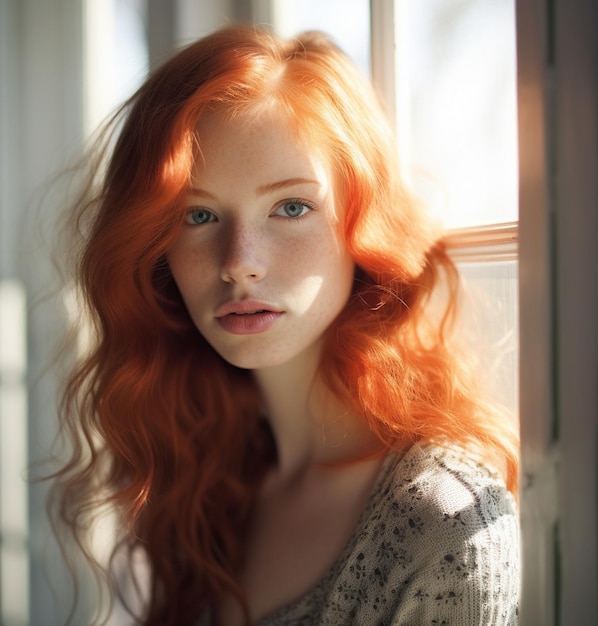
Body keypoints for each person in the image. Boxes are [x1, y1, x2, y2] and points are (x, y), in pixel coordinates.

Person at [51, 25, 520, 626]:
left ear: (363, 223)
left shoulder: (446, 522)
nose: (241, 260)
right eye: (198, 214)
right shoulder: (204, 478)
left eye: (291, 207)